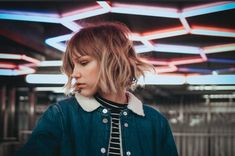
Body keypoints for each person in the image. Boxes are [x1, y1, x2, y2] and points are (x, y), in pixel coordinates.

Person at [15, 22, 178, 156]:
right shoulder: (61, 116)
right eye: (73, 66)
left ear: (112, 61)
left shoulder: (155, 122)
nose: (74, 74)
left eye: (83, 63)